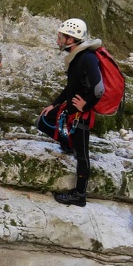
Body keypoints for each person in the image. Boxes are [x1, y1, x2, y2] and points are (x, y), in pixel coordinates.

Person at [36, 18, 105, 207]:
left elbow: (99, 89)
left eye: (60, 37)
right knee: (43, 121)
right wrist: (54, 104)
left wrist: (86, 105)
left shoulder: (87, 58)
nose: (57, 40)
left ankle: (80, 195)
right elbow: (71, 87)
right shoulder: (77, 56)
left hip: (81, 113)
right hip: (73, 109)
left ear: (70, 39)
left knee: (83, 155)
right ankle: (69, 145)